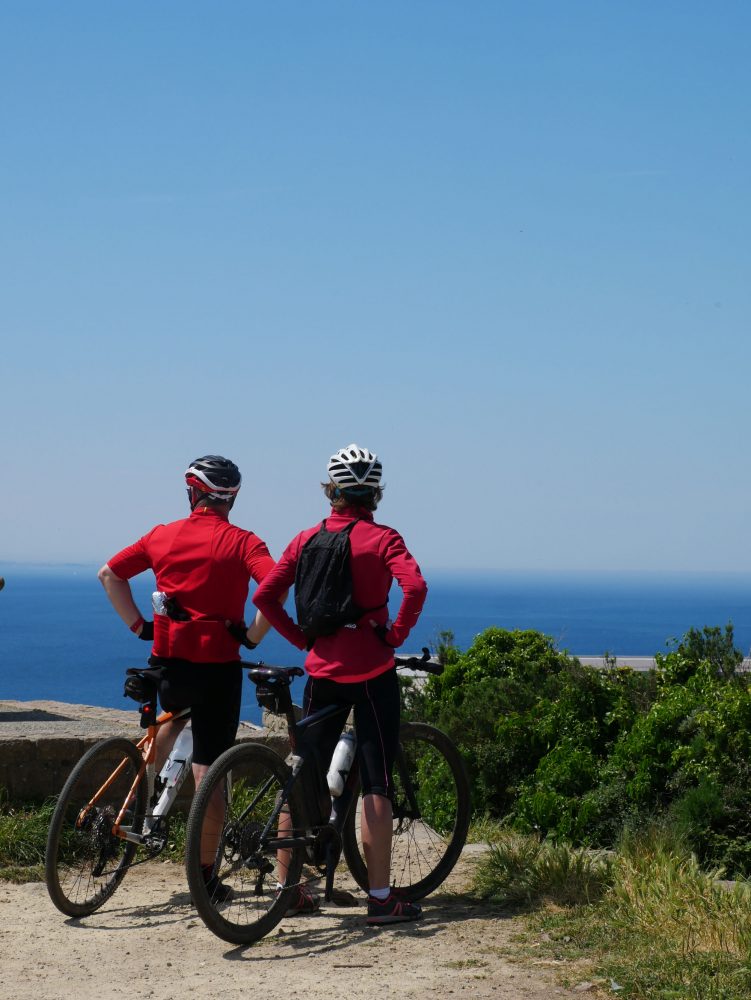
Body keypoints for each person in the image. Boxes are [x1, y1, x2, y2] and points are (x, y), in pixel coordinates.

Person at [253, 443, 428, 925]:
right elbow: (414, 588)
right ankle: (379, 897)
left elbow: (266, 596)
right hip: (371, 671)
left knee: (302, 775)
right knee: (376, 781)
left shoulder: (305, 539)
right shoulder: (383, 539)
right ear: (374, 493)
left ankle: (290, 889)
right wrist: (393, 636)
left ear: (331, 491)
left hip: (321, 671)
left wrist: (302, 640)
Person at [98, 455, 274, 899]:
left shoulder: (162, 535)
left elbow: (109, 574)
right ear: (232, 497)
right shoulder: (244, 542)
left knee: (170, 719)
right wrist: (251, 636)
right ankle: (206, 877)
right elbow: (273, 589)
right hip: (217, 670)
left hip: (169, 663)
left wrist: (141, 627)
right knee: (209, 772)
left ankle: (135, 805)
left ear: (192, 493)